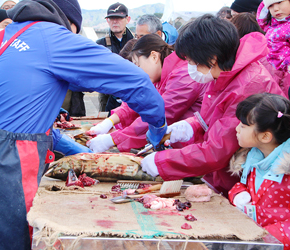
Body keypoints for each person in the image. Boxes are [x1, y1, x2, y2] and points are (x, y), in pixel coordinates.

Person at [0, 0, 167, 248]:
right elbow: (138, 82)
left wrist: (82, 153)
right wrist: (158, 130)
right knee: (10, 240)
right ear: (71, 24)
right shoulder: (54, 37)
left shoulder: (1, 38)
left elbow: (18, 121)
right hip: (7, 165)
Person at [140, 14, 285, 198]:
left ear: (212, 58)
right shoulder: (220, 74)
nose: (190, 66)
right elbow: (211, 119)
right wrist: (190, 126)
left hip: (256, 183)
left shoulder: (247, 86)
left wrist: (162, 161)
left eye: (192, 61)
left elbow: (218, 150)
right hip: (225, 176)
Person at [87, 35, 207, 153]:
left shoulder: (183, 76)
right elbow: (141, 101)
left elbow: (159, 116)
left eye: (138, 66)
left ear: (154, 57)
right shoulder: (159, 76)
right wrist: (109, 122)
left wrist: (112, 139)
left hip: (193, 150)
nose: (137, 72)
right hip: (177, 148)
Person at [228, 93, 290, 248]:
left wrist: (269, 236)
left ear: (265, 136)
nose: (237, 129)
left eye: (243, 126)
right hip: (256, 239)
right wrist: (238, 194)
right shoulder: (254, 157)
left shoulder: (286, 170)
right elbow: (246, 188)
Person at [96, 2, 135, 112]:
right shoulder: (100, 44)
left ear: (127, 19)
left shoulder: (136, 43)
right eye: (112, 18)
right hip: (108, 94)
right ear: (107, 21)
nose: (115, 21)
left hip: (131, 93)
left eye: (119, 18)